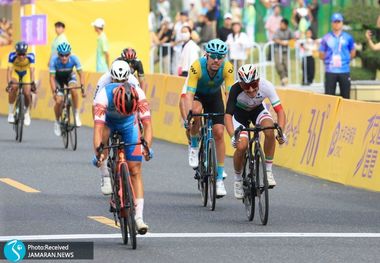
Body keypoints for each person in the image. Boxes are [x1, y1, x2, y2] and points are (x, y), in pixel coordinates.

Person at [93, 60, 153, 234]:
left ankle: (139, 218)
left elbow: (147, 125)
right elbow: (97, 128)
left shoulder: (138, 92)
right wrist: (99, 152)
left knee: (135, 170)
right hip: (108, 122)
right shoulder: (103, 94)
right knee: (103, 139)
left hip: (129, 124)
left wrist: (147, 147)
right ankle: (105, 172)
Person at [224, 64, 286, 198]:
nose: (251, 89)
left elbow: (280, 111)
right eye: (246, 86)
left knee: (269, 130)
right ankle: (238, 179)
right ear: (240, 84)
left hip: (257, 111)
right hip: (239, 116)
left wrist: (281, 131)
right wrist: (232, 136)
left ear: (258, 80)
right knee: (242, 146)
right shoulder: (234, 89)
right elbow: (228, 116)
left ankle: (268, 171)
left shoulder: (266, 86)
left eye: (253, 84)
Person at [185, 39, 234, 197]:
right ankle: (193, 145)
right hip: (198, 96)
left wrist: (230, 115)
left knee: (219, 132)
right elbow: (189, 94)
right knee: (197, 111)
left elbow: (230, 95)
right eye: (213, 56)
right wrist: (189, 115)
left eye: (220, 56)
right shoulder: (197, 66)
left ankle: (219, 179)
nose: (216, 60)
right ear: (207, 55)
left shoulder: (227, 68)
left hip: (214, 98)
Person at [49, 42, 85, 136]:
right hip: (58, 79)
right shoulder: (54, 60)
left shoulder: (74, 59)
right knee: (59, 101)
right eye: (61, 55)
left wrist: (82, 87)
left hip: (69, 76)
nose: (64, 57)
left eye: (66, 55)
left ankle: (76, 114)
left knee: (73, 89)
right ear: (58, 54)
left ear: (70, 54)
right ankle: (57, 121)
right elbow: (52, 78)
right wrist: (54, 92)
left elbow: (81, 74)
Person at [319, 13, 355, 99]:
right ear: (331, 23)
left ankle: (345, 113)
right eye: (335, 22)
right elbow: (321, 54)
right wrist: (328, 61)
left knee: (346, 97)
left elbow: (353, 51)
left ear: (342, 23)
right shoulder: (326, 38)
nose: (337, 24)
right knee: (329, 98)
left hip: (344, 70)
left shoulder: (348, 37)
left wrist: (345, 61)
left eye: (339, 22)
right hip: (331, 70)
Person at [6, 41, 35, 125]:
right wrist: (9, 84)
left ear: (26, 52)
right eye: (19, 54)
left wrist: (32, 83)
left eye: (23, 54)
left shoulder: (31, 56)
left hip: (25, 73)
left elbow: (32, 71)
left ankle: (26, 113)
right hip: (16, 72)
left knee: (27, 92)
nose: (21, 56)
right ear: (16, 52)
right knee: (14, 87)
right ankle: (11, 112)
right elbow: (9, 71)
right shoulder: (12, 56)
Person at [273, 18, 294, 86]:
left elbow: (293, 39)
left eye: (282, 24)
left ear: (286, 25)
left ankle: (284, 80)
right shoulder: (278, 30)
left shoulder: (289, 30)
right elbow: (274, 38)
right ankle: (283, 77)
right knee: (278, 64)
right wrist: (282, 42)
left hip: (285, 51)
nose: (280, 25)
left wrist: (288, 43)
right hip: (277, 50)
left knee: (286, 64)